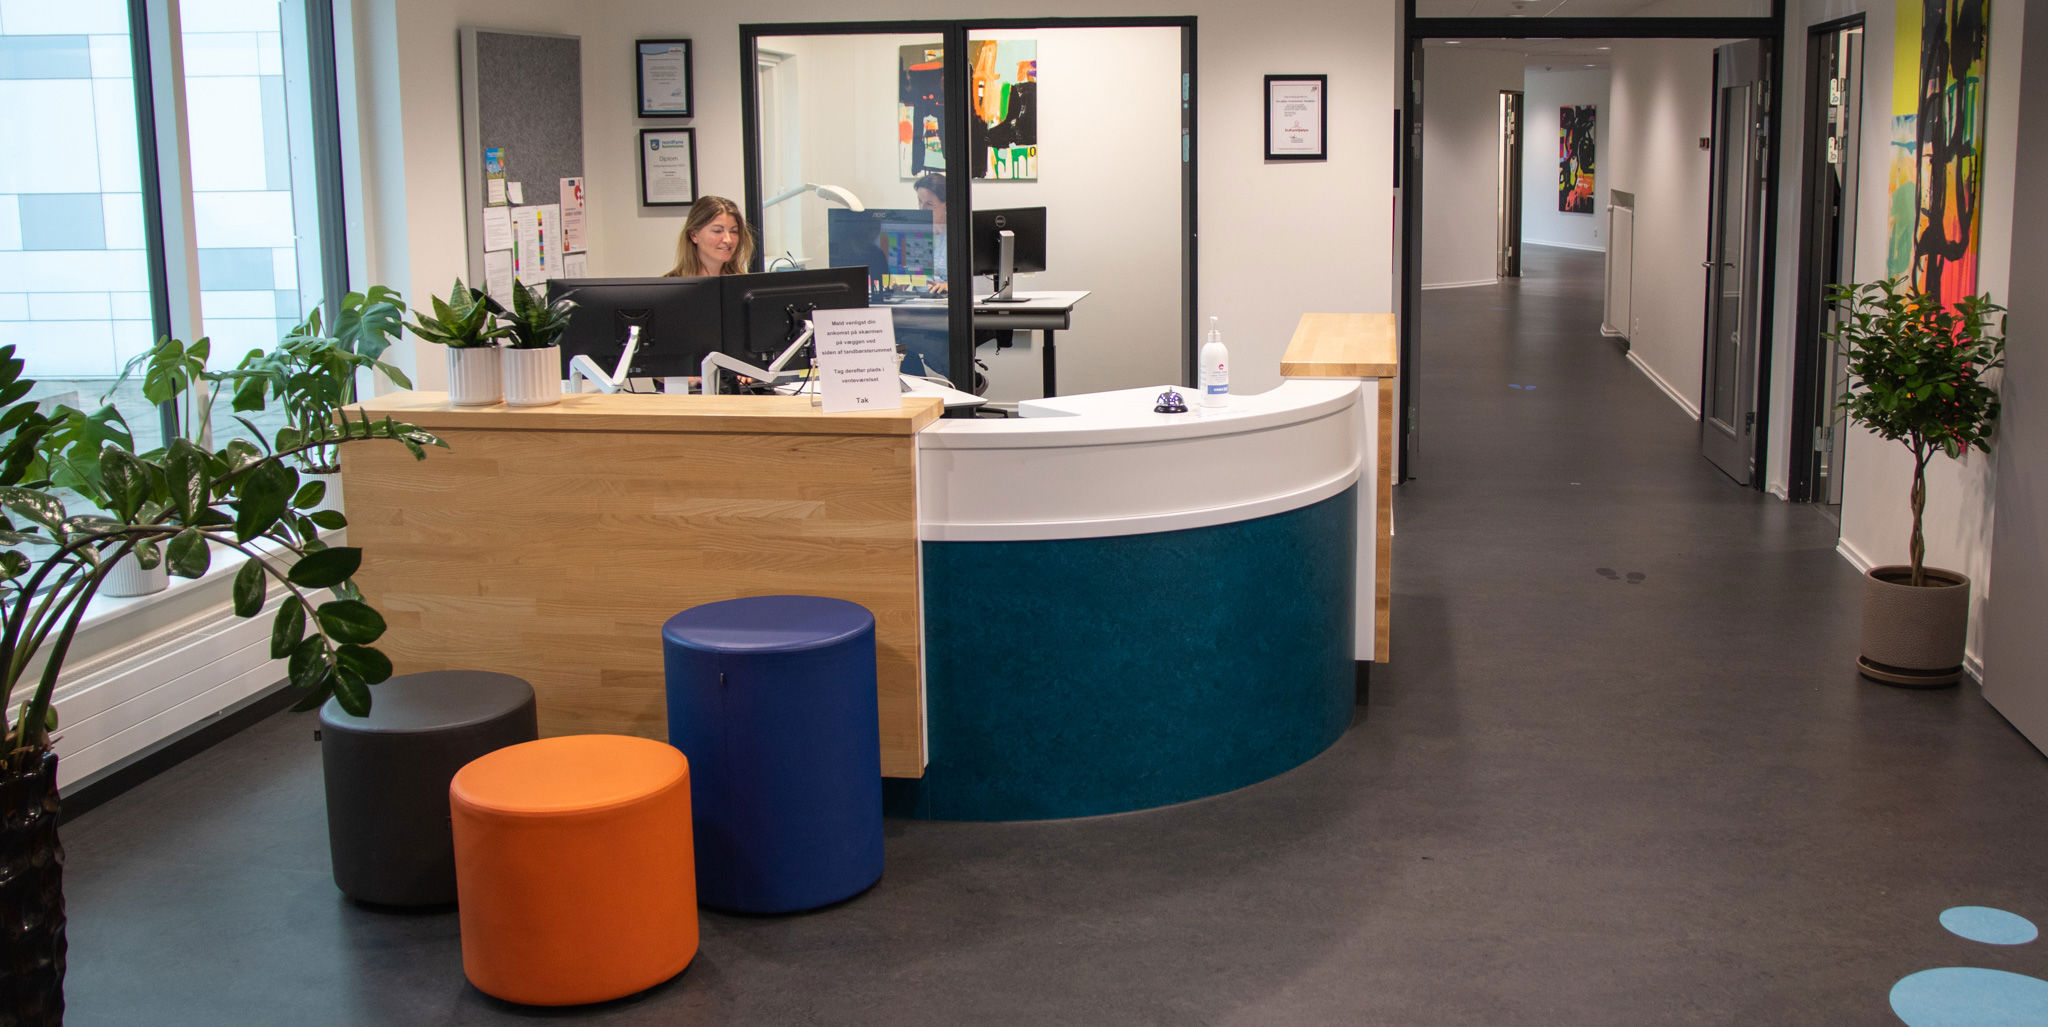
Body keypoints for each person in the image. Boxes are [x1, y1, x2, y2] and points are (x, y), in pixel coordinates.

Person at [665, 195, 754, 277]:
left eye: (733, 231)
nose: (728, 240)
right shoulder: (669, 284)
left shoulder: (746, 283)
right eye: (717, 231)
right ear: (694, 235)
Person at [913, 172, 948, 296]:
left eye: (929, 204)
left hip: (951, 301)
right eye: (920, 202)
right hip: (920, 301)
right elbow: (911, 276)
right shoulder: (915, 236)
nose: (922, 209)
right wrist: (900, 283)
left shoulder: (961, 237)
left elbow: (974, 281)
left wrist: (948, 285)